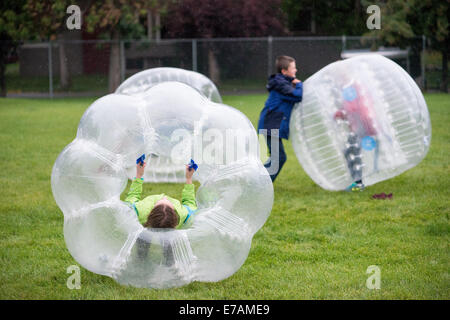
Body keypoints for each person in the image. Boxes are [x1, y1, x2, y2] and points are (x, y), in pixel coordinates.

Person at [257, 55, 303, 182]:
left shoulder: (282, 83)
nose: (296, 70)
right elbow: (298, 96)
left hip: (271, 124)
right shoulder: (281, 84)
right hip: (270, 125)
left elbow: (295, 97)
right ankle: (261, 182)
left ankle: (258, 179)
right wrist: (299, 84)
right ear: (284, 71)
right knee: (279, 157)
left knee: (277, 157)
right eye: (293, 68)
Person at [124, 161, 197, 229]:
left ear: (151, 212)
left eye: (159, 201)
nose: (164, 197)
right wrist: (189, 178)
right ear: (175, 214)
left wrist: (138, 175)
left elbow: (132, 197)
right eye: (168, 201)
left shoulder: (139, 211)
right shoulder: (183, 214)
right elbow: (189, 202)